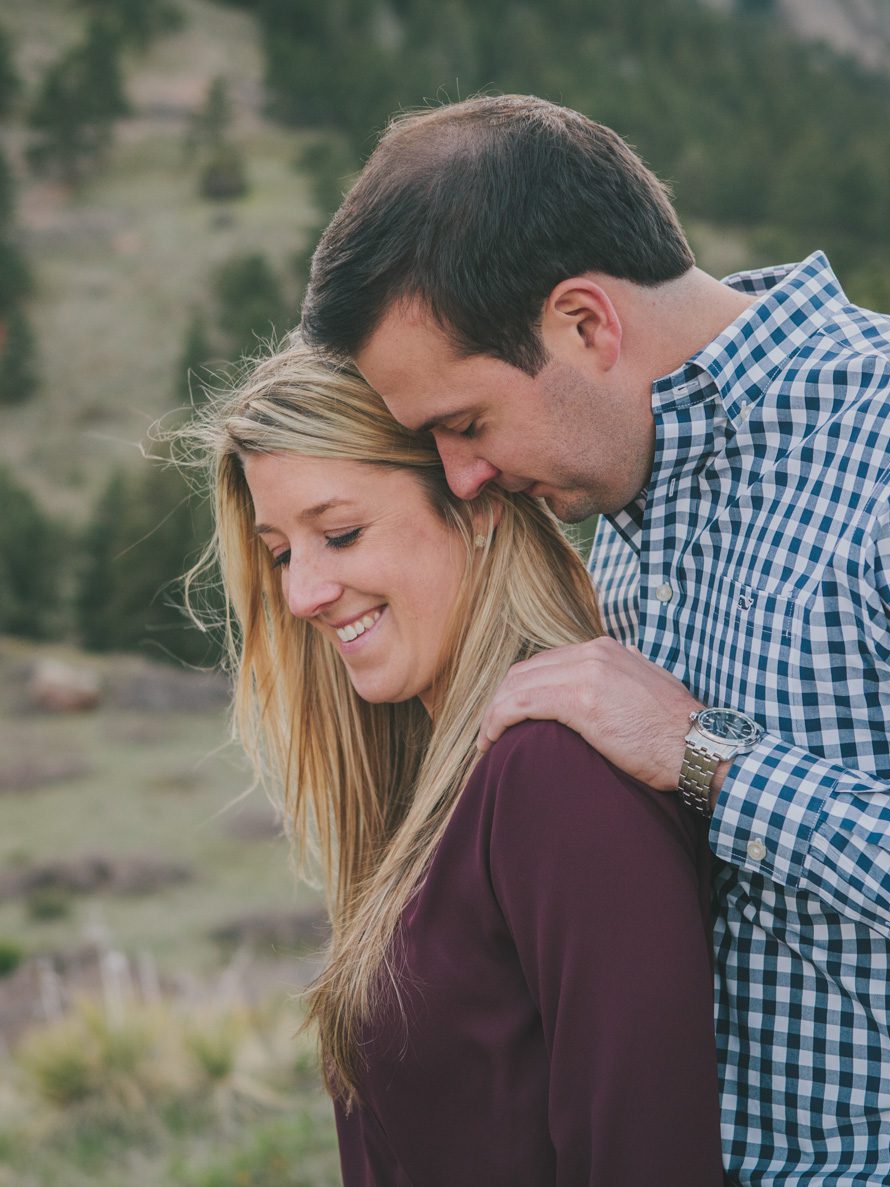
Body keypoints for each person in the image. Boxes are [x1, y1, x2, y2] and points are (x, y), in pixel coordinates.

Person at [298, 94, 890, 1184]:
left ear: (584, 323)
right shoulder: (633, 521)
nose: (463, 477)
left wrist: (711, 760)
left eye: (464, 423)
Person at [185, 340, 724, 1186]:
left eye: (341, 532)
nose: (301, 594)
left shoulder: (554, 776)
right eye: (284, 553)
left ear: (473, 507)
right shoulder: (445, 779)